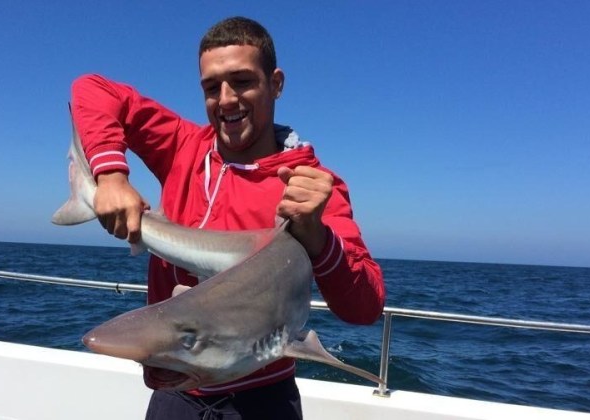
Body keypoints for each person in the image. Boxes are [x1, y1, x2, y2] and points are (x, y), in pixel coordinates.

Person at [71, 16, 385, 420]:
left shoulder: (310, 187)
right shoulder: (184, 147)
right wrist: (110, 173)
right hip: (176, 397)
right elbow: (92, 89)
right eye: (211, 87)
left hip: (263, 402)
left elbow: (365, 308)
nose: (226, 100)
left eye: (242, 81)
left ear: (276, 84)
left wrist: (318, 239)